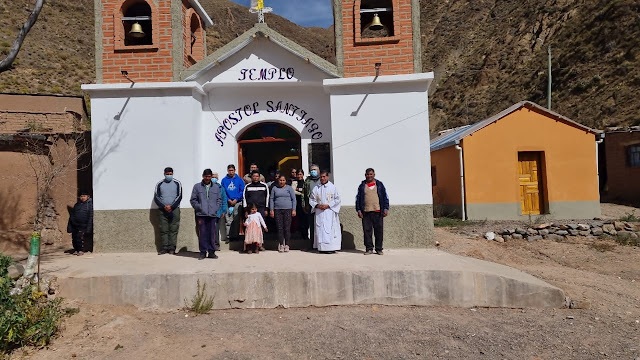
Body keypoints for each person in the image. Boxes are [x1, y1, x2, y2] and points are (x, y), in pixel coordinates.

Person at [190, 169, 223, 260]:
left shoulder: (216, 187)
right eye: (206, 176)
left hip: (212, 214)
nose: (207, 178)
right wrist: (199, 207)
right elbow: (193, 200)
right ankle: (203, 252)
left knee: (212, 234)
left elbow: (219, 200)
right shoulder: (197, 187)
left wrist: (216, 208)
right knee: (203, 234)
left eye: (209, 177)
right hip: (201, 214)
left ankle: (212, 252)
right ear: (203, 176)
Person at [356, 168, 390, 255]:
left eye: (371, 174)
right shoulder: (362, 186)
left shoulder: (379, 185)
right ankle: (369, 248)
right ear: (365, 175)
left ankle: (379, 249)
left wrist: (385, 208)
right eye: (367, 174)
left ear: (374, 175)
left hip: (378, 211)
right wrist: (359, 210)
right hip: (366, 212)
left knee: (379, 231)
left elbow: (385, 197)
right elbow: (358, 198)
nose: (369, 176)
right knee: (367, 231)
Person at [310, 171, 342, 253]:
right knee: (320, 229)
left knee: (329, 229)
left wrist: (328, 205)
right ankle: (321, 248)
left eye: (324, 177)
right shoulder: (316, 188)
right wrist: (317, 205)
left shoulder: (333, 187)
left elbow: (337, 199)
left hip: (329, 212)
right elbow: (311, 199)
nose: (322, 178)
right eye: (321, 177)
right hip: (319, 212)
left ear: (328, 177)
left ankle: (330, 248)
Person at [153, 167, 182, 255]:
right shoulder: (159, 184)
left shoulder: (177, 183)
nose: (169, 175)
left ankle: (172, 248)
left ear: (173, 174)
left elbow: (179, 196)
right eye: (167, 174)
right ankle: (164, 248)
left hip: (175, 209)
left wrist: (172, 206)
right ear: (164, 174)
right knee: (164, 229)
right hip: (162, 210)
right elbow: (156, 197)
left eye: (170, 174)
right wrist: (163, 206)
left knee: (174, 228)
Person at [269, 175, 296, 252]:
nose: (282, 182)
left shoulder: (289, 188)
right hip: (277, 210)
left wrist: (294, 209)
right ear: (278, 180)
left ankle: (287, 244)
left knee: (287, 227)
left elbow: (293, 199)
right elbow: (271, 199)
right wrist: (272, 210)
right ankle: (281, 244)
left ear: (285, 181)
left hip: (288, 209)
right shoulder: (274, 188)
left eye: (283, 180)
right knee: (280, 227)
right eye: (280, 180)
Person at [221, 164, 245, 241]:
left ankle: (235, 236)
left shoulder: (239, 180)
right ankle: (229, 236)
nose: (231, 172)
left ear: (235, 170)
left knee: (236, 219)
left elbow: (242, 191)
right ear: (227, 171)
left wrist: (236, 199)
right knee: (228, 220)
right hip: (227, 202)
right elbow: (223, 191)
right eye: (229, 170)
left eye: (232, 170)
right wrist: (228, 199)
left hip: (237, 202)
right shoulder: (224, 180)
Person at [67, 190, 93, 256]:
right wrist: (70, 225)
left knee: (80, 238)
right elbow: (72, 215)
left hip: (83, 225)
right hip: (75, 225)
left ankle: (81, 250)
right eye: (81, 196)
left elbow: (90, 216)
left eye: (84, 196)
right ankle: (76, 249)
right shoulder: (77, 205)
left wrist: (88, 228)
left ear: (88, 197)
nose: (82, 198)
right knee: (74, 238)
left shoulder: (89, 205)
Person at [302, 164, 321, 247]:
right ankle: (312, 244)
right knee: (312, 225)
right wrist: (304, 205)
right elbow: (303, 194)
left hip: (321, 207)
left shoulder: (322, 180)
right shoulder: (307, 181)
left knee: (320, 225)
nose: (313, 171)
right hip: (310, 206)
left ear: (319, 171)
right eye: (312, 170)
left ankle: (320, 244)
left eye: (315, 169)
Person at [212, 172, 228, 250]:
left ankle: (216, 245)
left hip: (217, 212)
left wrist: (224, 211)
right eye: (213, 177)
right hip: (207, 212)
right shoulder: (206, 187)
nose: (214, 178)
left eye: (215, 177)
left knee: (215, 229)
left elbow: (224, 200)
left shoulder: (221, 188)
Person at [294, 169, 308, 240]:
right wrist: (300, 190)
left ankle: (305, 236)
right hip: (297, 204)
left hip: (304, 204)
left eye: (300, 174)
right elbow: (293, 191)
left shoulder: (305, 182)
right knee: (298, 220)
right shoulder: (294, 182)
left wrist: (298, 190)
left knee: (305, 220)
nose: (299, 176)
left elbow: (305, 192)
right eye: (298, 174)